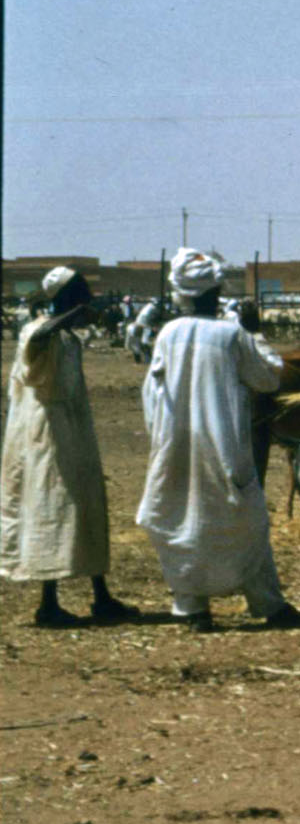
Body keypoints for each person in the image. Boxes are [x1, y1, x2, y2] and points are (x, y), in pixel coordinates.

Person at [135, 250, 300, 633]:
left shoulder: (168, 333)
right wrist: (255, 331)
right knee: (245, 519)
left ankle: (191, 607)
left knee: (180, 517)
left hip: (176, 445)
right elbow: (268, 378)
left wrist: (161, 436)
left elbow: (152, 391)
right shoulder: (232, 335)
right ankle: (267, 603)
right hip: (222, 444)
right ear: (215, 291)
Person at [1, 268, 132, 628]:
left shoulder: (70, 340)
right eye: (79, 293)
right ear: (64, 297)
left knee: (87, 505)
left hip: (74, 432)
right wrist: (73, 315)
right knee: (53, 506)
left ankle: (101, 596)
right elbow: (41, 336)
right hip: (48, 437)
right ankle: (48, 602)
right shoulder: (37, 331)